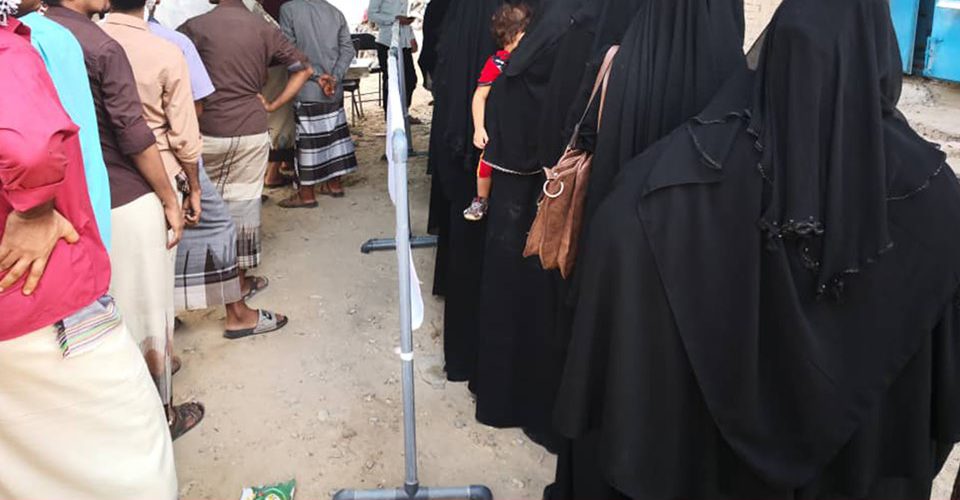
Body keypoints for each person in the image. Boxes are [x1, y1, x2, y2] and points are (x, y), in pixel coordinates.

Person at [555, 0, 960, 497]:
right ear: (881, 58)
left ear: (772, 54)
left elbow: (616, 260)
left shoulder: (665, 187)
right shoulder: (933, 199)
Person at [0, 3, 176, 497]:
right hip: (44, 287)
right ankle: (166, 405)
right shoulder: (40, 45)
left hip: (31, 288)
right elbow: (38, 145)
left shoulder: (43, 35)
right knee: (136, 452)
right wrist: (35, 209)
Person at [45, 0, 189, 435]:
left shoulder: (32, 35)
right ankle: (158, 418)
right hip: (123, 198)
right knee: (145, 313)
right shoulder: (99, 46)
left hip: (64, 205)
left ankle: (112, 422)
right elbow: (134, 134)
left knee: (98, 319)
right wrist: (169, 198)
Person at [147, 0, 288, 338]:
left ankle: (165, 316)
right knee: (225, 218)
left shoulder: (101, 39)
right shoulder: (175, 41)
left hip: (137, 156)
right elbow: (191, 108)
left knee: (159, 231)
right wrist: (193, 180)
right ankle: (236, 306)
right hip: (208, 139)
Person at [101, 0, 206, 439]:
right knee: (153, 296)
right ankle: (160, 411)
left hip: (96, 185)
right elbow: (184, 134)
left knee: (113, 292)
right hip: (154, 183)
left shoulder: (79, 42)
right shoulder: (166, 50)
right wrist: (192, 187)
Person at [179, 0, 311, 333]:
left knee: (204, 210)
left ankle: (203, 289)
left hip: (207, 131)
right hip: (250, 130)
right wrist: (274, 103)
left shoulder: (194, 28)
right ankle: (236, 284)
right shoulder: (264, 29)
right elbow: (303, 68)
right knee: (242, 210)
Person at [19, 6, 112, 250]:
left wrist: (33, 213)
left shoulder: (27, 39)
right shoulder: (57, 35)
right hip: (81, 208)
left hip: (39, 217)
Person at [278, 0, 360, 207]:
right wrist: (334, 77)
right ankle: (334, 185)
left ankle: (306, 194)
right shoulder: (335, 12)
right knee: (334, 137)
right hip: (333, 88)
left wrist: (316, 76)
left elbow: (288, 51)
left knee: (307, 142)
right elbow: (348, 50)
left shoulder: (289, 10)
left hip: (306, 87)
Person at [462, 3, 529, 221]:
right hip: (496, 128)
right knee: (485, 165)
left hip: (520, 128)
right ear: (515, 33)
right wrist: (479, 128)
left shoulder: (531, 60)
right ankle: (481, 199)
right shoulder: (496, 63)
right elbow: (479, 96)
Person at [367, 0, 418, 121]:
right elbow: (372, 14)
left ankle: (404, 112)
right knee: (390, 80)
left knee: (411, 79)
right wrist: (393, 19)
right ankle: (390, 116)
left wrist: (411, 37)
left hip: (404, 41)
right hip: (386, 41)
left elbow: (404, 15)